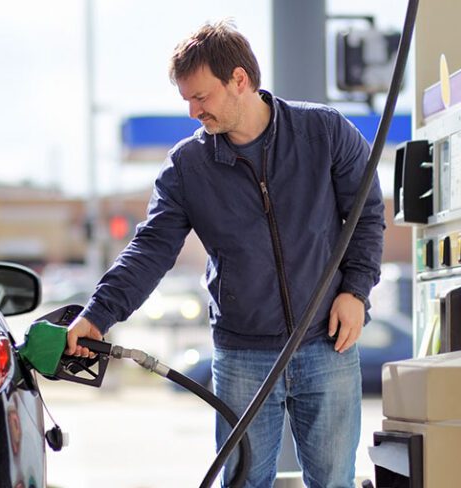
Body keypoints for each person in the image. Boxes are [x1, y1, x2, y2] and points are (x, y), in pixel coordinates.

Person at [64, 19, 384, 488]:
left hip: (326, 343)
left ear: (239, 80)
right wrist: (98, 314)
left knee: (334, 481)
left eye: (201, 97)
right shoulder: (188, 168)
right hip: (243, 355)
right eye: (187, 100)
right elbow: (150, 248)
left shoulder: (324, 133)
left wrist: (355, 291)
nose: (194, 112)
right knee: (241, 482)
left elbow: (368, 215)